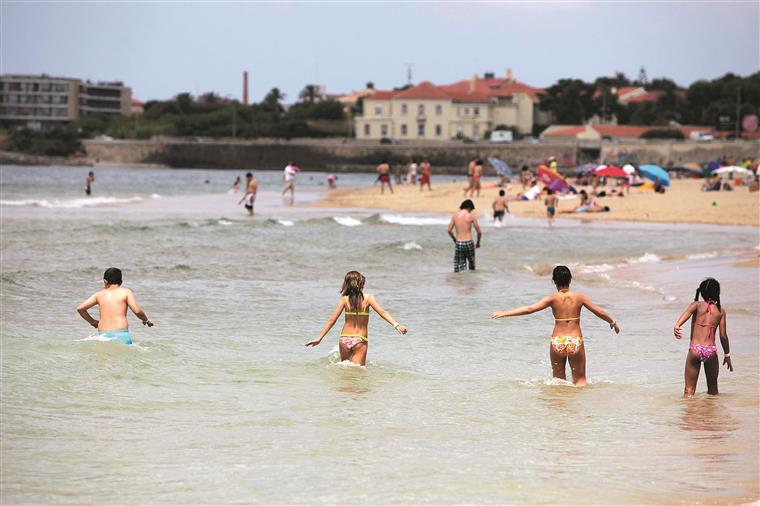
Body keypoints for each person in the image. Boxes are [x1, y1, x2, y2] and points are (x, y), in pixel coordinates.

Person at [490, 265, 619, 386]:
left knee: (558, 382)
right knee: (580, 381)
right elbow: (599, 311)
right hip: (575, 341)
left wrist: (504, 313)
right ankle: (578, 408)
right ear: (570, 279)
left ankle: (559, 407)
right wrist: (612, 322)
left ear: (554, 281)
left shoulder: (552, 298)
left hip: (558, 341)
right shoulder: (579, 297)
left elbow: (530, 309)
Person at [305, 271, 407, 366]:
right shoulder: (368, 298)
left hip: (344, 338)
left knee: (345, 369)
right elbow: (382, 312)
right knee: (358, 372)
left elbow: (332, 319)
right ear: (361, 284)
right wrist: (396, 325)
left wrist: (320, 338)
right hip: (360, 339)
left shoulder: (344, 299)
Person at [673, 278, 732, 398]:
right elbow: (723, 336)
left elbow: (684, 317)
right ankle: (710, 415)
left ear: (701, 292)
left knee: (689, 389)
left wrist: (677, 326)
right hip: (710, 351)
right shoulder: (720, 311)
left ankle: (689, 415)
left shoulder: (696, 305)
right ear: (717, 293)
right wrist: (727, 355)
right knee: (713, 390)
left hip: (695, 349)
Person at [76, 267, 153, 345]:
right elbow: (137, 311)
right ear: (121, 282)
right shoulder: (126, 292)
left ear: (105, 281)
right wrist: (146, 320)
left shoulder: (99, 295)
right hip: (121, 334)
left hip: (103, 335)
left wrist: (92, 322)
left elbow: (80, 308)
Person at [448, 199, 482, 272]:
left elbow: (449, 230)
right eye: (471, 209)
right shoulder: (472, 216)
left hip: (459, 242)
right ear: (469, 207)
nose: (471, 211)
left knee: (459, 268)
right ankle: (471, 282)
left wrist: (454, 239)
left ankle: (460, 282)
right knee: (472, 266)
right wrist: (478, 243)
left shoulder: (455, 216)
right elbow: (479, 232)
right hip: (469, 242)